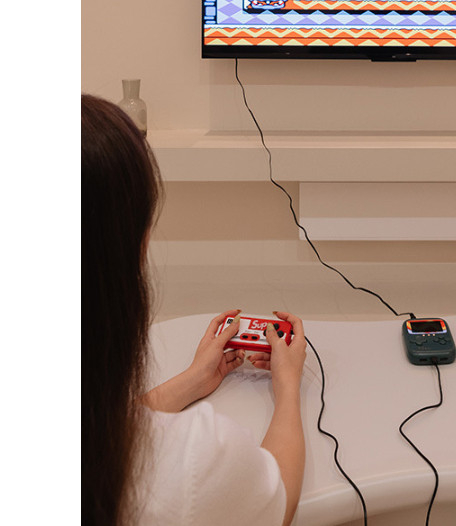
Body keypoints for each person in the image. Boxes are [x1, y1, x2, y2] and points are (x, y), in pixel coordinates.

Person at [82, 94, 306, 526]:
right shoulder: (190, 459)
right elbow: (276, 495)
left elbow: (102, 427)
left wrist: (191, 380)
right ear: (139, 245)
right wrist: (288, 385)